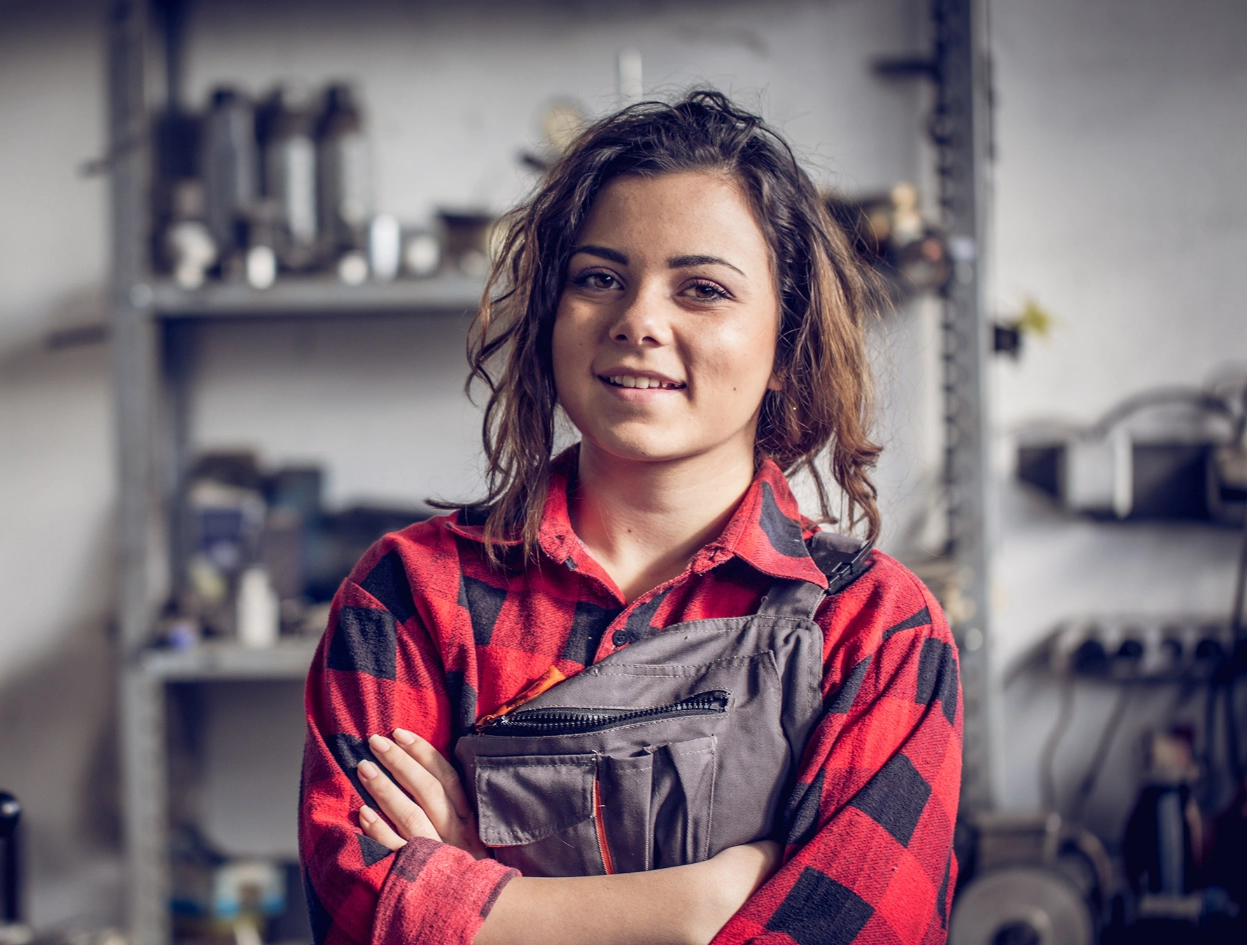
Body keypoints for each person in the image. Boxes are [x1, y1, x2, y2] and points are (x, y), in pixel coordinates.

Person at [298, 90, 962, 945]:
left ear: (784, 345)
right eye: (600, 278)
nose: (640, 320)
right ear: (549, 316)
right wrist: (698, 906)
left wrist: (487, 902)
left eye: (703, 289)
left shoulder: (874, 631)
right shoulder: (409, 597)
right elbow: (368, 912)